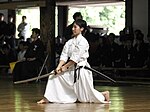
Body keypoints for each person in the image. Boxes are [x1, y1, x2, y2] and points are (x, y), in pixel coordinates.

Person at [37, 19, 110, 104]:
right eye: (72, 27)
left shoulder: (83, 42)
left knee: (84, 98)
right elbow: (64, 55)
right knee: (53, 75)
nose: (73, 29)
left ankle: (103, 94)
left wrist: (64, 67)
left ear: (81, 29)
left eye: (75, 27)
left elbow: (75, 58)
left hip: (81, 70)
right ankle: (47, 98)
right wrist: (58, 67)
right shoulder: (69, 42)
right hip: (70, 68)